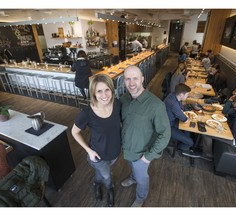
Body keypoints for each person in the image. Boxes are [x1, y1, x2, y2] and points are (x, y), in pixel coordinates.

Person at [120, 65, 171, 207]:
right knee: (132, 167)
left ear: (142, 79)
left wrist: (147, 157)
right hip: (127, 148)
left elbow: (165, 134)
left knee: (142, 178)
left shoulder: (156, 105)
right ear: (124, 81)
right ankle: (132, 177)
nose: (131, 83)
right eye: (127, 79)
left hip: (142, 154)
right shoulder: (124, 99)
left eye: (135, 78)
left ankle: (140, 198)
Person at [71, 74, 121, 207]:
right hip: (98, 155)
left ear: (112, 90)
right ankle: (110, 189)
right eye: (99, 91)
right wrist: (89, 151)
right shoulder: (87, 113)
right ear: (93, 92)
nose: (104, 95)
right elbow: (74, 132)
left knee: (102, 173)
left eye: (107, 90)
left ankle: (96, 183)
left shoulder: (117, 105)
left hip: (115, 152)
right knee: (107, 176)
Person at [201, 94, 236, 158]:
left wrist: (218, 129)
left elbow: (232, 135)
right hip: (235, 136)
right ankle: (203, 146)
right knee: (211, 126)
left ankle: (207, 155)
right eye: (235, 102)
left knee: (207, 133)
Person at [164, 83, 199, 157]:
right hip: (167, 127)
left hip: (172, 121)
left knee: (188, 130)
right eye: (187, 94)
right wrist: (190, 117)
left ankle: (183, 141)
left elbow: (182, 108)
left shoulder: (174, 95)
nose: (188, 96)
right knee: (190, 142)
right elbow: (185, 119)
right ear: (181, 95)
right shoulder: (173, 103)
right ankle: (180, 148)